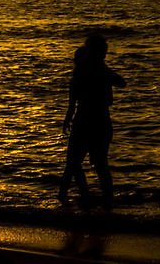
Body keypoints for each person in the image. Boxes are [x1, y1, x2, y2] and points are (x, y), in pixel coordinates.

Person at [58, 33, 126, 209]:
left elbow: (73, 100)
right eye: (103, 52)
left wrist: (68, 118)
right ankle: (100, 201)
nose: (104, 55)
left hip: (88, 121)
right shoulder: (95, 70)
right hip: (96, 121)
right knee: (96, 164)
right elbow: (121, 82)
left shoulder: (86, 70)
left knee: (79, 162)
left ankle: (84, 198)